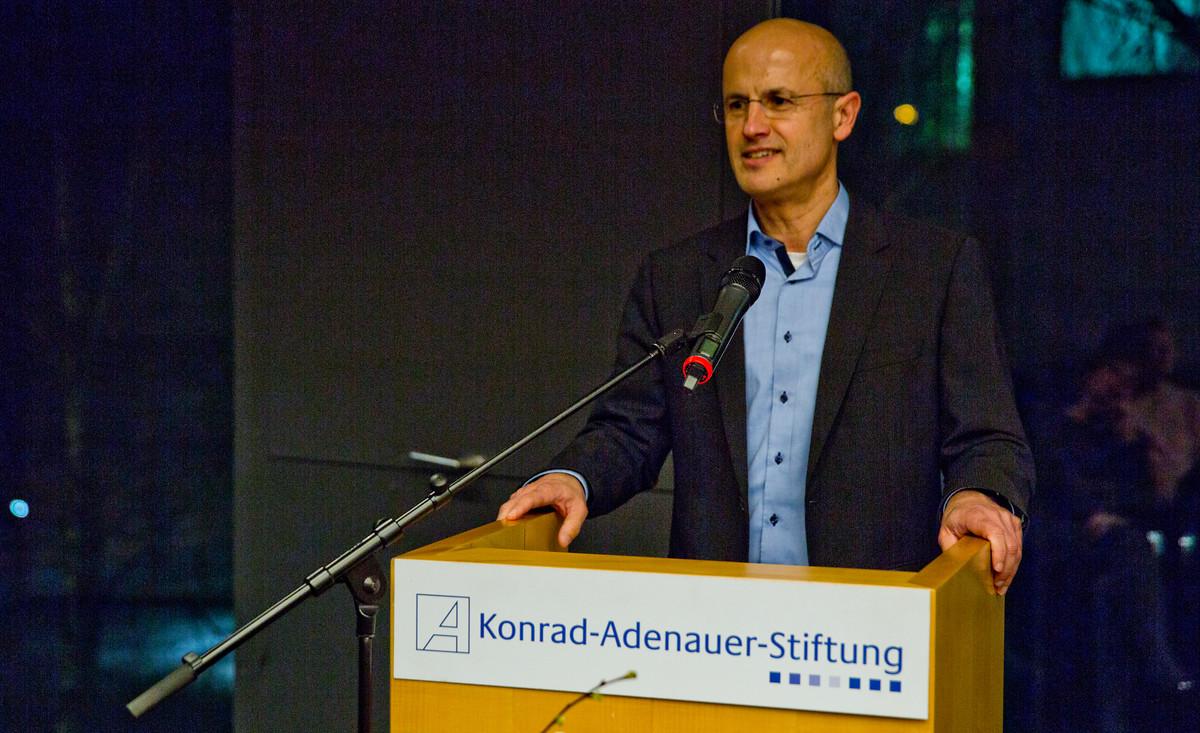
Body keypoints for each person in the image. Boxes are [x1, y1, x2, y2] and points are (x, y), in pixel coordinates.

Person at [498, 18, 1033, 594]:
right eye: (736, 105)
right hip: (716, 622)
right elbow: (629, 431)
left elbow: (986, 438)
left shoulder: (932, 270)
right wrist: (572, 477)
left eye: (779, 101)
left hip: (873, 621)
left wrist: (975, 495)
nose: (752, 126)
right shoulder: (676, 276)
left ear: (843, 115)